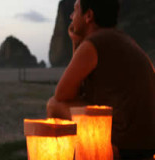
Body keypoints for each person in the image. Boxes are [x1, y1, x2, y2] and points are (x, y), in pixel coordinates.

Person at [46, 0, 155, 159]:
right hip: (147, 145)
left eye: (75, 10)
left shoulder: (94, 43)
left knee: (53, 105)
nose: (71, 16)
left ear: (88, 16)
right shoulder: (122, 40)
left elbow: (62, 94)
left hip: (123, 146)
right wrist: (77, 43)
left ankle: (88, 153)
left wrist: (78, 44)